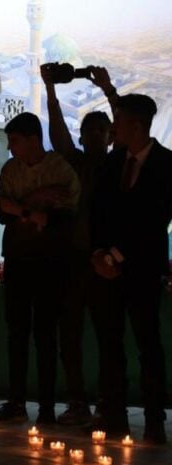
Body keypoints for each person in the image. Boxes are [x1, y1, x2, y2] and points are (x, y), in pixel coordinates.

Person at [90, 94, 172, 444]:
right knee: (110, 344)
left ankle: (154, 419)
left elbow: (155, 219)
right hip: (105, 270)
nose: (114, 128)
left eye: (119, 121)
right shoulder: (112, 164)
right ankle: (114, 417)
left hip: (143, 268)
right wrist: (98, 253)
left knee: (148, 343)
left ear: (136, 126)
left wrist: (116, 255)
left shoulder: (167, 165)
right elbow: (97, 211)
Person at [0, 112, 80, 425]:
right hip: (18, 259)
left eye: (14, 141)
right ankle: (16, 401)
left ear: (33, 140)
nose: (10, 147)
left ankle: (46, 407)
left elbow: (65, 216)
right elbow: (2, 211)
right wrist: (37, 201)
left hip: (50, 262)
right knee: (16, 333)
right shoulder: (11, 169)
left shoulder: (60, 168)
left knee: (45, 335)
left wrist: (20, 207)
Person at [42, 64, 117, 425]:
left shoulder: (118, 166)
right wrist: (50, 91)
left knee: (107, 336)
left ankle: (107, 400)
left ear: (111, 136)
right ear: (83, 136)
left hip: (106, 261)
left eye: (103, 131)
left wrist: (108, 88)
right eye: (91, 131)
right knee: (69, 334)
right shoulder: (77, 163)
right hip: (73, 260)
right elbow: (59, 137)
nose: (97, 136)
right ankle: (77, 400)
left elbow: (129, 128)